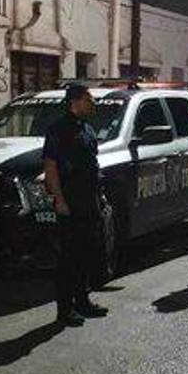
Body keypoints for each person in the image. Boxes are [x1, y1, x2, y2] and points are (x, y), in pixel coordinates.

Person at [42, 83, 109, 326]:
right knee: (68, 258)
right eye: (89, 99)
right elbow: (50, 166)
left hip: (89, 200)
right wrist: (59, 199)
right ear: (76, 101)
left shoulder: (88, 129)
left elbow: (92, 165)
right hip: (69, 201)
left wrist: (99, 197)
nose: (93, 103)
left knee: (86, 253)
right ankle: (65, 309)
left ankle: (83, 301)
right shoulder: (58, 130)